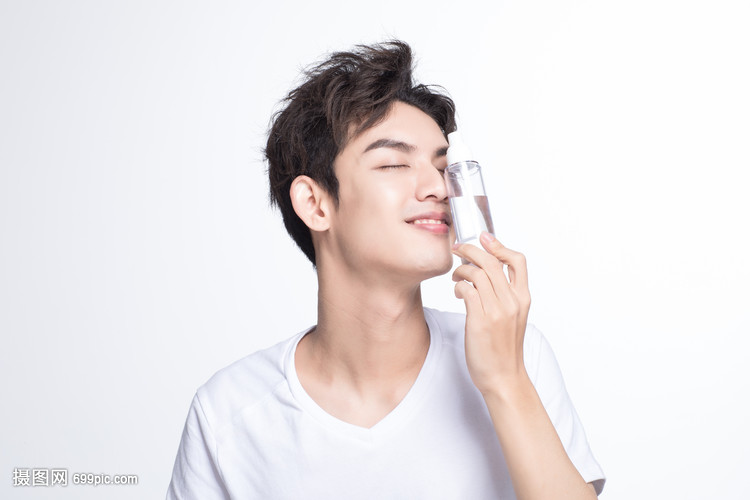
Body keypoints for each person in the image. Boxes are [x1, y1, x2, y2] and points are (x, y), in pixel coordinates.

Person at [167, 40, 605, 499]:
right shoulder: (228, 415)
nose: (439, 188)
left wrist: (504, 381)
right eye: (394, 163)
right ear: (315, 204)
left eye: (444, 167)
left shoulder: (518, 356)